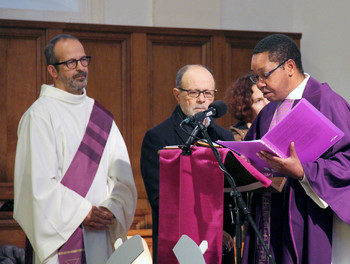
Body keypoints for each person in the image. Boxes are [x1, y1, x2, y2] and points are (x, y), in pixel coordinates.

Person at [13, 34, 137, 264]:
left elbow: (122, 179)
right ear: (52, 71)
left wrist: (111, 209)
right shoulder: (40, 115)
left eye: (83, 60)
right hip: (59, 240)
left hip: (99, 236)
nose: (80, 68)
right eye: (71, 63)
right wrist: (84, 212)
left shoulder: (101, 117)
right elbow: (37, 187)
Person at [241, 34, 350, 264]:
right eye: (255, 76)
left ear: (289, 66)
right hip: (269, 218)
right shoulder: (268, 112)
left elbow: (347, 162)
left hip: (308, 219)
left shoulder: (327, 103)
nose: (259, 84)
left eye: (264, 75)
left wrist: (303, 171)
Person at [140, 64, 235, 263]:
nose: (202, 100)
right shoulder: (158, 138)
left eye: (208, 93)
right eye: (194, 92)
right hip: (178, 246)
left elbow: (234, 196)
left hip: (221, 248)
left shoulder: (225, 138)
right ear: (177, 94)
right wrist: (212, 229)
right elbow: (161, 201)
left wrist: (226, 229)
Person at [225, 73, 269, 141]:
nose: (267, 104)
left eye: (267, 97)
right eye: (258, 101)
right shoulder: (237, 137)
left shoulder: (277, 125)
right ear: (246, 106)